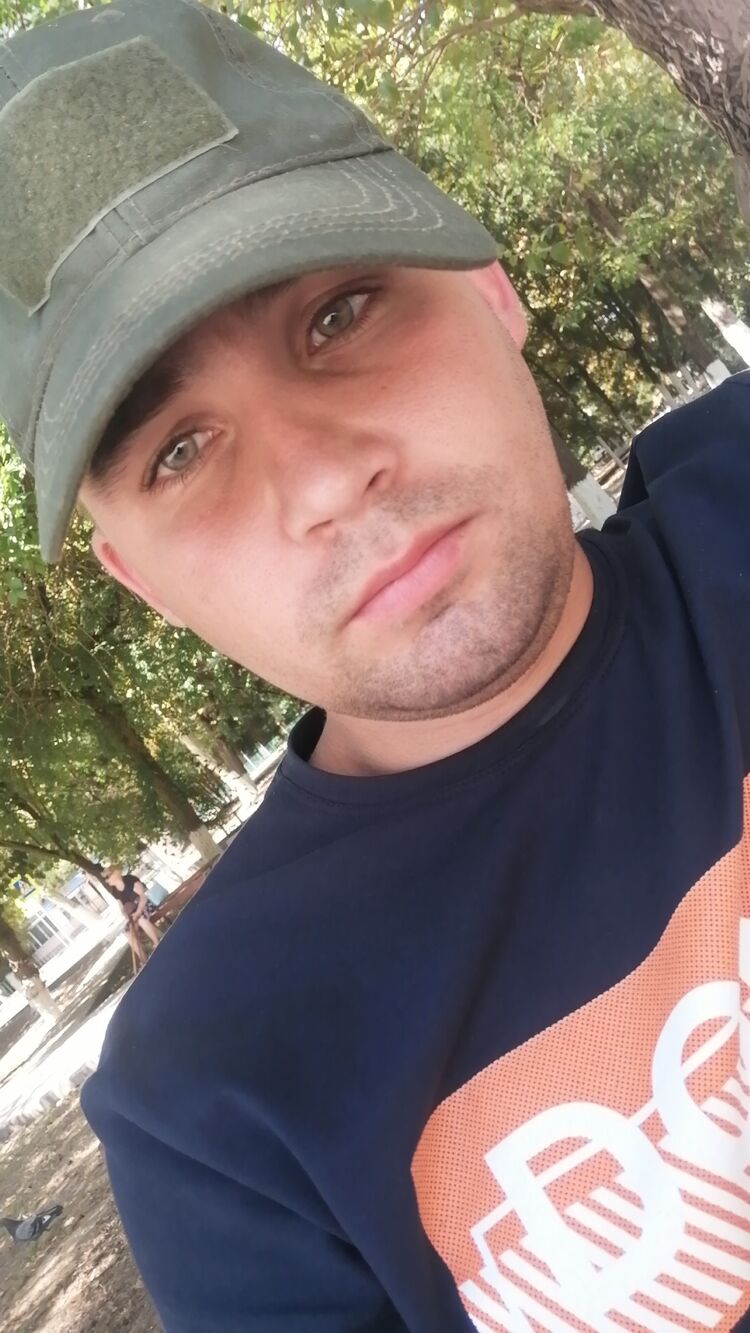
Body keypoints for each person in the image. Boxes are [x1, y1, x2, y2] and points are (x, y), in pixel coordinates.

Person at [1, 2, 749, 1329]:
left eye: (337, 313)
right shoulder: (212, 1102)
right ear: (143, 580)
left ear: (489, 286)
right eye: (179, 451)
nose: (321, 483)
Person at [102, 865, 161, 956]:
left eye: (107, 877)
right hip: (132, 914)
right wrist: (128, 918)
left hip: (144, 906)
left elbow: (143, 897)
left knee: (141, 919)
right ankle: (143, 959)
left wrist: (138, 912)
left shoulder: (130, 880)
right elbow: (122, 908)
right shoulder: (115, 891)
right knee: (127, 932)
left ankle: (157, 942)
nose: (106, 880)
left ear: (115, 873)